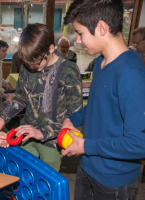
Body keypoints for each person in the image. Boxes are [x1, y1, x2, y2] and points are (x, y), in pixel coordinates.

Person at [61, 0, 145, 199]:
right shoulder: (100, 62)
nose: (78, 41)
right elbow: (97, 107)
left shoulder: (130, 74)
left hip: (114, 179)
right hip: (89, 165)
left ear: (101, 27)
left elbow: (139, 143)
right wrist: (73, 119)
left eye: (80, 33)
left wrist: (86, 146)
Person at [0, 23, 82, 172]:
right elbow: (21, 99)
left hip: (52, 141)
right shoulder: (28, 64)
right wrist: (3, 117)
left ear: (50, 49)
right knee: (23, 179)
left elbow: (75, 115)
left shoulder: (69, 70)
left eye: (35, 63)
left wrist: (42, 132)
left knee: (46, 185)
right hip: (26, 135)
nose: (31, 67)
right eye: (27, 63)